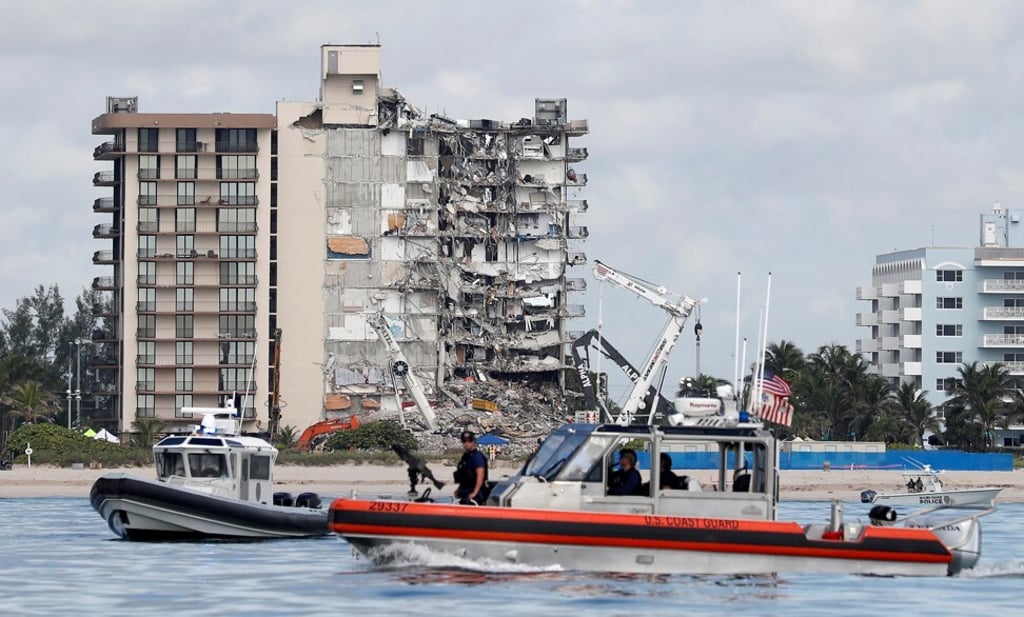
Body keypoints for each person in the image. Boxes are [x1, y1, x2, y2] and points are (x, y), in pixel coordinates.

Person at [454, 430, 489, 505]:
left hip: (475, 493)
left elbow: (480, 475)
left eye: (469, 441)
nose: (466, 443)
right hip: (465, 491)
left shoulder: (477, 456)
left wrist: (475, 493)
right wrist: (459, 489)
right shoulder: (466, 457)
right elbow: (464, 476)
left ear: (473, 441)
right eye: (464, 441)